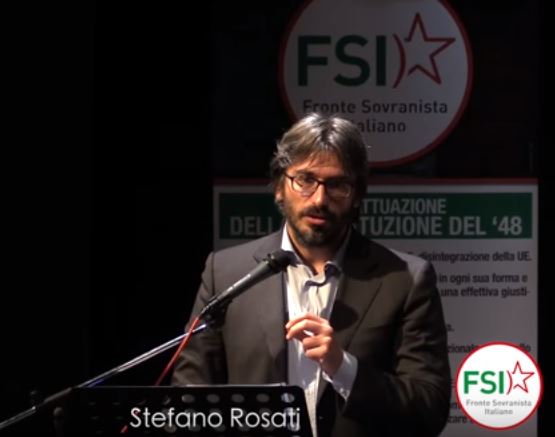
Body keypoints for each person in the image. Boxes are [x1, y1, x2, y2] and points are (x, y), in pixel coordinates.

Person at [172, 113, 451, 437]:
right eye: (305, 180)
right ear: (280, 187)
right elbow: (188, 398)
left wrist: (343, 368)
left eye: (337, 185)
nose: (319, 199)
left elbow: (429, 409)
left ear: (357, 195)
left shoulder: (405, 279)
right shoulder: (226, 273)